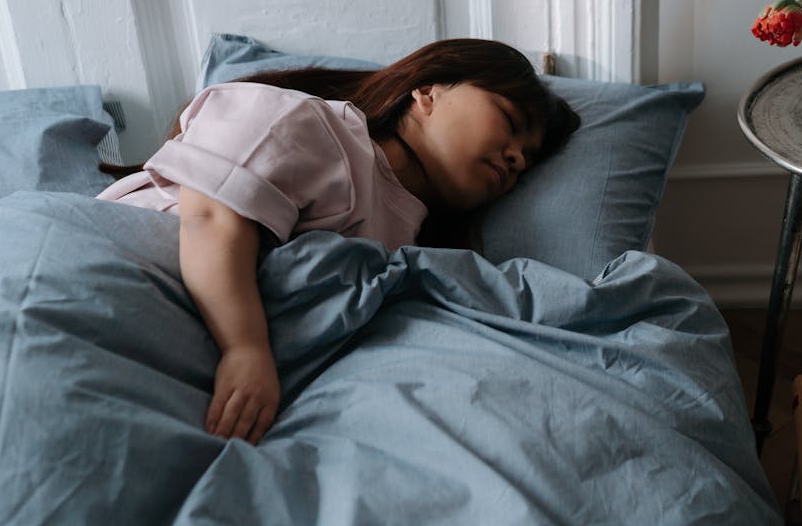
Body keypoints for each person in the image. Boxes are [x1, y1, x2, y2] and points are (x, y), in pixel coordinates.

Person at [97, 38, 580, 446]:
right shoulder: (311, 125)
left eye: (527, 159)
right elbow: (211, 216)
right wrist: (244, 349)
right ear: (428, 91)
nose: (517, 157)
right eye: (509, 122)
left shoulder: (412, 247)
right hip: (119, 272)